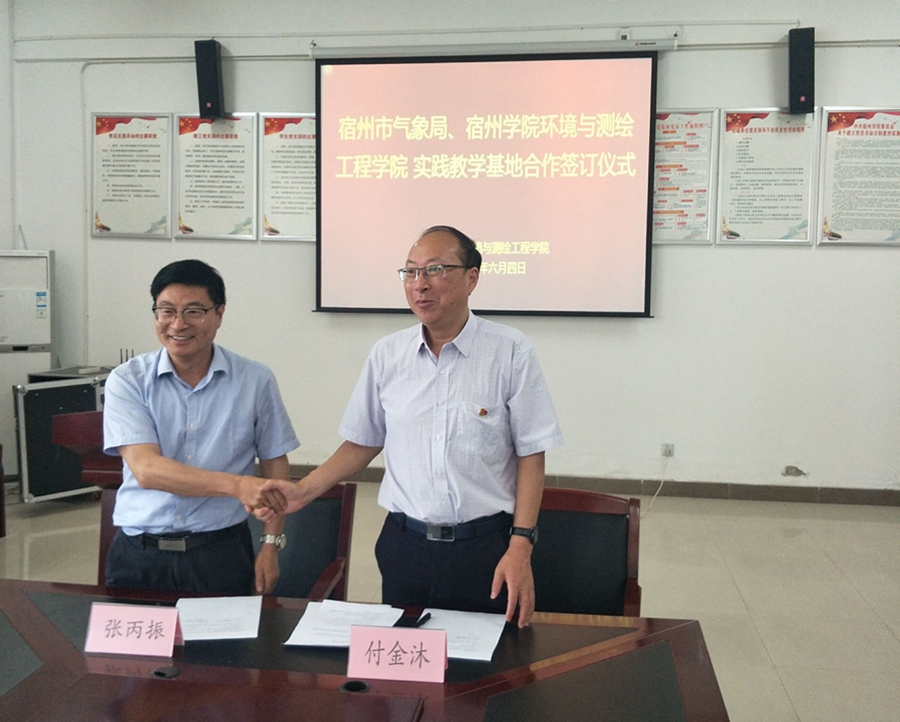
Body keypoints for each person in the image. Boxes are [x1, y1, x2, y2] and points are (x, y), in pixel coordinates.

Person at [254, 226, 562, 626]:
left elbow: (531, 453)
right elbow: (363, 441)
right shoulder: (388, 355)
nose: (420, 284)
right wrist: (304, 490)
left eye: (434, 270)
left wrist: (520, 546)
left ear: (471, 278)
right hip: (405, 546)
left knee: (488, 658)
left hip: (485, 547)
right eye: (411, 272)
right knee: (406, 655)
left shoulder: (510, 351)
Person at [103, 259, 299, 595]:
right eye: (166, 311)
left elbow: (274, 464)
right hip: (139, 555)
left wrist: (270, 544)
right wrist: (237, 485)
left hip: (220, 553)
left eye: (194, 312)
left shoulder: (255, 380)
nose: (178, 324)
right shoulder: (128, 380)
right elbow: (147, 470)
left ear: (219, 314)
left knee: (227, 633)